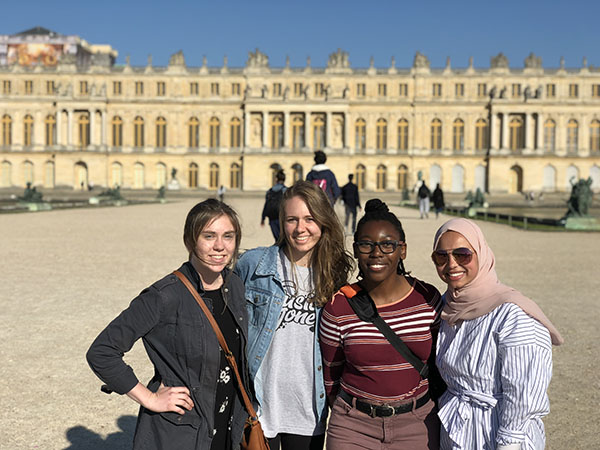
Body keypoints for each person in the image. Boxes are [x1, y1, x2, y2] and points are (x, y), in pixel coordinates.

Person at [86, 199, 250, 450]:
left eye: (228, 236)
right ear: (189, 241)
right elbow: (102, 351)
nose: (220, 246)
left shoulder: (235, 286)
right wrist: (149, 398)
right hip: (182, 433)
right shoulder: (164, 296)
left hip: (228, 430)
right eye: (209, 236)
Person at [235, 180, 354, 450]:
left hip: (308, 408)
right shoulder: (254, 264)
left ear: (324, 222)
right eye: (292, 219)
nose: (301, 228)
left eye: (310, 219)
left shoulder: (334, 274)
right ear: (282, 222)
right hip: (259, 405)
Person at [320, 199, 443, 450]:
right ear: (355, 249)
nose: (377, 253)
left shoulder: (427, 299)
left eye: (387, 244)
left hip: (416, 424)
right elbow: (331, 376)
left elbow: (442, 363)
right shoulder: (339, 306)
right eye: (367, 244)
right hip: (353, 427)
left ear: (403, 250)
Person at [431, 218, 564, 450]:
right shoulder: (447, 306)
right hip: (456, 431)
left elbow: (523, 391)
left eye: (462, 255)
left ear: (481, 254)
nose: (451, 264)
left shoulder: (513, 315)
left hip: (497, 433)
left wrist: (509, 441)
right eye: (441, 257)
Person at [261, 170, 287, 241]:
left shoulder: (270, 191)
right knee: (284, 238)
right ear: (284, 179)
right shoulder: (286, 190)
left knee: (277, 239)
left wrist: (263, 218)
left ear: (276, 179)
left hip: (272, 217)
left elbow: (266, 205)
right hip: (282, 216)